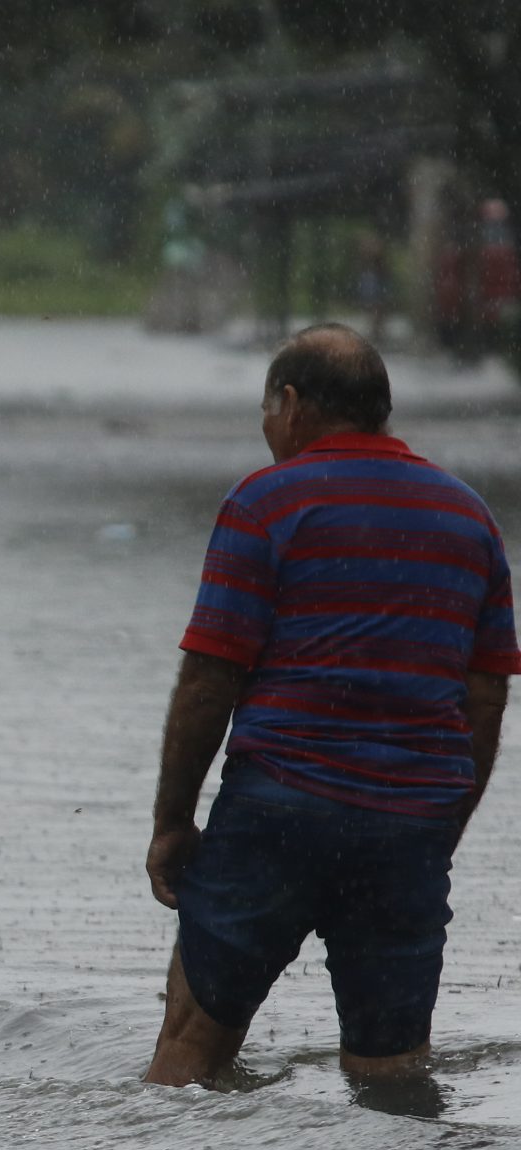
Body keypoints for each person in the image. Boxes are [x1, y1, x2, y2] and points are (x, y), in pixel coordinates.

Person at [144, 323, 516, 1088]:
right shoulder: (470, 518)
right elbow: (486, 696)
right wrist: (440, 826)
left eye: (267, 411)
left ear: (291, 402)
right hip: (407, 827)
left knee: (189, 1055)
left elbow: (210, 679)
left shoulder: (265, 502)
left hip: (278, 811)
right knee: (392, 1076)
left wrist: (173, 821)